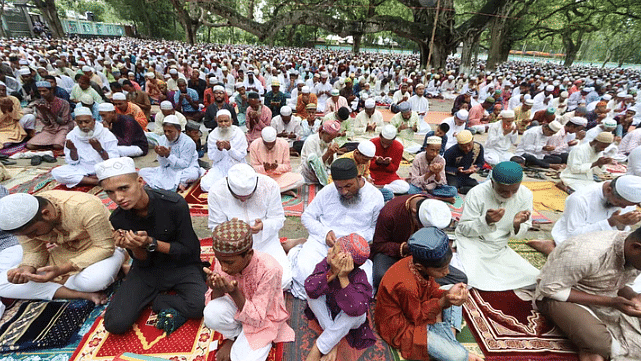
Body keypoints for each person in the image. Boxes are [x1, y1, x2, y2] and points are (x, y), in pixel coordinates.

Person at [97, 157, 206, 335]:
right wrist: (134, 247)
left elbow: (189, 251)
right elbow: (142, 262)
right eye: (110, 192)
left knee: (200, 305)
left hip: (182, 266)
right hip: (148, 271)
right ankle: (149, 293)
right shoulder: (118, 218)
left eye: (124, 188)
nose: (118, 198)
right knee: (115, 323)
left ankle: (159, 302)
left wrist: (151, 243)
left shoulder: (174, 204)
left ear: (140, 181)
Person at [0, 191, 126, 305]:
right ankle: (81, 294)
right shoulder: (24, 221)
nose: (31, 237)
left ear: (47, 214)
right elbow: (35, 251)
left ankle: (118, 261)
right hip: (64, 255)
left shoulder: (83, 206)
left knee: (97, 280)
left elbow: (104, 247)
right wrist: (26, 270)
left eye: (34, 231)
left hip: (101, 249)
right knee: (2, 283)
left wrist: (62, 270)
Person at [534, 228, 641, 361]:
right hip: (560, 296)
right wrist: (610, 302)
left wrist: (633, 296)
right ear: (636, 247)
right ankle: (593, 347)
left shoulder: (632, 254)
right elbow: (548, 289)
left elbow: (621, 284)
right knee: (599, 344)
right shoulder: (588, 253)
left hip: (607, 296)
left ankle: (591, 347)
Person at [376, 227, 482, 361]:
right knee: (459, 356)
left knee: (453, 292)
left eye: (448, 266)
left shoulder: (418, 265)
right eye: (442, 269)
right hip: (403, 327)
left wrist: (448, 295)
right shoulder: (406, 286)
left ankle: (449, 340)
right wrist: (442, 302)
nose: (447, 273)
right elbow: (416, 318)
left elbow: (432, 290)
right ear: (420, 266)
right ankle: (450, 342)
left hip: (419, 309)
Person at [287, 158, 385, 299]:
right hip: (324, 243)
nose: (344, 191)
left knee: (365, 282)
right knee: (304, 274)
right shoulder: (327, 192)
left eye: (348, 186)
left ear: (358, 178)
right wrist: (325, 232)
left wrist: (356, 240)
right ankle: (298, 251)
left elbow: (376, 228)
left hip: (354, 249)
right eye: (339, 187)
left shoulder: (375, 197)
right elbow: (307, 217)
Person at [203, 219, 294, 361]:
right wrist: (216, 289)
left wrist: (234, 292)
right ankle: (235, 335)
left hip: (263, 320)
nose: (224, 267)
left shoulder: (269, 269)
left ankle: (249, 339)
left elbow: (258, 319)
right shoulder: (224, 262)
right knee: (211, 313)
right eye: (220, 261)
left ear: (248, 254)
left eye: (229, 262)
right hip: (238, 310)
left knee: (241, 358)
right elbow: (213, 303)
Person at [455, 161, 539, 291]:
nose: (509, 195)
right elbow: (464, 229)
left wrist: (516, 225)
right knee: (468, 278)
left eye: (514, 190)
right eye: (504, 191)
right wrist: (486, 221)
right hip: (473, 244)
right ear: (492, 183)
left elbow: (520, 234)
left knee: (535, 277)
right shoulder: (477, 193)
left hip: (499, 248)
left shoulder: (525, 195)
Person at [207, 164, 292, 289]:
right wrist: (230, 229)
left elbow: (278, 219)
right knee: (225, 285)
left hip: (265, 242)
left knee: (283, 281)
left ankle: (290, 251)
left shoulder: (269, 186)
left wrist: (263, 226)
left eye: (248, 196)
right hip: (234, 250)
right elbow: (215, 226)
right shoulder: (216, 191)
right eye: (238, 197)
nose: (243, 200)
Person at [304, 233, 376, 361]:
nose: (329, 250)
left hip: (348, 316)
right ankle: (333, 342)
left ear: (345, 261)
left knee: (357, 315)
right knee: (311, 296)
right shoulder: (326, 264)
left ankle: (319, 347)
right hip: (329, 308)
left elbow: (357, 309)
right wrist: (332, 272)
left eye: (334, 250)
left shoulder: (360, 276)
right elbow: (310, 287)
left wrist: (343, 277)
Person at [528, 175, 641, 256]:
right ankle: (551, 248)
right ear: (608, 190)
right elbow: (572, 235)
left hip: (607, 242)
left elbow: (622, 232)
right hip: (574, 240)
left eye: (627, 205)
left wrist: (623, 223)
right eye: (619, 204)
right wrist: (610, 222)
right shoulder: (580, 199)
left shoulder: (626, 198)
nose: (623, 208)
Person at [371, 196, 466, 290]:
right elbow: (378, 245)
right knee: (381, 276)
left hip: (422, 257)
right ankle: (413, 285)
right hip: (393, 254)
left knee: (460, 279)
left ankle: (408, 284)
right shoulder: (390, 213)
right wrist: (404, 247)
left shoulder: (432, 205)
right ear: (414, 212)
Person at [52, 107, 119, 188]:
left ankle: (84, 179)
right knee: (56, 172)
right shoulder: (72, 135)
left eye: (87, 122)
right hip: (82, 168)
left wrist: (100, 150)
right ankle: (96, 181)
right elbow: (72, 162)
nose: (83, 125)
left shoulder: (105, 134)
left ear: (93, 121)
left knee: (120, 169)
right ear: (76, 122)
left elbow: (113, 159)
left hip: (103, 167)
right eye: (80, 122)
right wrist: (73, 150)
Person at [139, 115, 201, 192]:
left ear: (179, 131)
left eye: (170, 131)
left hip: (185, 169)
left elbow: (184, 165)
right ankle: (178, 184)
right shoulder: (162, 140)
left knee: (193, 174)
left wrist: (168, 156)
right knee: (142, 172)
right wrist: (161, 155)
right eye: (165, 131)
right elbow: (163, 165)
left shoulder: (188, 142)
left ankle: (179, 182)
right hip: (168, 169)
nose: (167, 134)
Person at [200, 109, 248, 192]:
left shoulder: (238, 133)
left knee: (244, 184)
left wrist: (230, 149)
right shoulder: (213, 135)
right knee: (205, 185)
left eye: (226, 121)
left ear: (231, 121)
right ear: (217, 122)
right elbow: (212, 158)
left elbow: (241, 156)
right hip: (220, 167)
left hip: (237, 166)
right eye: (220, 121)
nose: (223, 124)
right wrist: (219, 150)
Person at [249, 127, 304, 193]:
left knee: (300, 179)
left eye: (272, 144)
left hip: (279, 177)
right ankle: (281, 191)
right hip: (263, 178)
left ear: (276, 138)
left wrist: (277, 167)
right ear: (262, 138)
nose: (269, 147)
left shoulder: (284, 144)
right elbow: (253, 168)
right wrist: (264, 168)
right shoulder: (254, 145)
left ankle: (271, 191)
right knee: (250, 182)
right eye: (267, 144)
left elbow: (288, 167)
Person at [26, 81, 73, 151]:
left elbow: (64, 122)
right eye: (40, 91)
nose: (42, 93)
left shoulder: (64, 103)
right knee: (30, 145)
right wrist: (43, 111)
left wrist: (50, 112)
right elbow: (47, 123)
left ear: (51, 90)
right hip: (50, 129)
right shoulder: (40, 104)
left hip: (63, 127)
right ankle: (52, 143)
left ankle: (56, 142)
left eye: (44, 91)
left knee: (57, 146)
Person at [370, 124, 410, 198]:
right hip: (372, 175)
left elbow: (394, 169)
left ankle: (379, 188)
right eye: (383, 143)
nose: (385, 146)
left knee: (405, 187)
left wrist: (388, 164)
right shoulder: (372, 143)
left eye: (388, 144)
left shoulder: (398, 147)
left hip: (389, 177)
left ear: (393, 139)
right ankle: (380, 189)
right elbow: (366, 164)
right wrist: (376, 163)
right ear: (380, 136)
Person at [299, 119, 341, 185]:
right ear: (322, 133)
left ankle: (326, 181)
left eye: (332, 139)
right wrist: (328, 153)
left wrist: (331, 154)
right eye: (329, 138)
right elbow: (314, 165)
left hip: (325, 171)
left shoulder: (331, 141)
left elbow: (330, 164)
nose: (331, 141)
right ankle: (325, 182)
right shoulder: (311, 141)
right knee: (313, 157)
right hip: (309, 173)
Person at [443, 130, 484, 195]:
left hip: (465, 177)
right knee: (452, 190)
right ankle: (459, 189)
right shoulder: (450, 152)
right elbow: (444, 168)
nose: (467, 148)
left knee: (478, 187)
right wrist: (457, 170)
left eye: (469, 145)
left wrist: (475, 169)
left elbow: (480, 163)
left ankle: (461, 189)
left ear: (472, 139)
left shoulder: (478, 147)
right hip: (452, 176)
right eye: (464, 147)